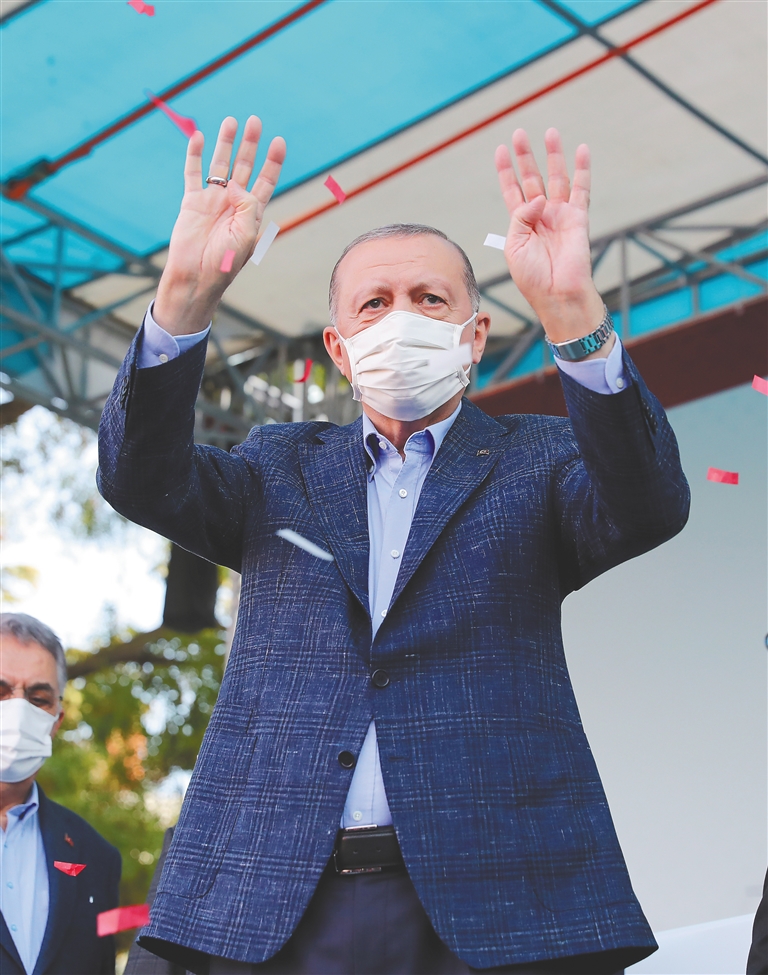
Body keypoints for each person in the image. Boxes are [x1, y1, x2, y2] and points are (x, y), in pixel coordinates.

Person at [97, 116, 690, 974]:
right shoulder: (275, 467)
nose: (401, 318)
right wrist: (183, 297)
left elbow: (648, 503)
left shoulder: (540, 461)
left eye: (430, 299)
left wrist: (573, 313)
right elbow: (139, 477)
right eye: (374, 303)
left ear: (475, 336)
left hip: (498, 896)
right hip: (282, 901)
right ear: (339, 349)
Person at [0, 613, 121, 975]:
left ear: (56, 721)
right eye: (0, 692)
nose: (17, 711)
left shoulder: (97, 857)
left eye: (37, 698)